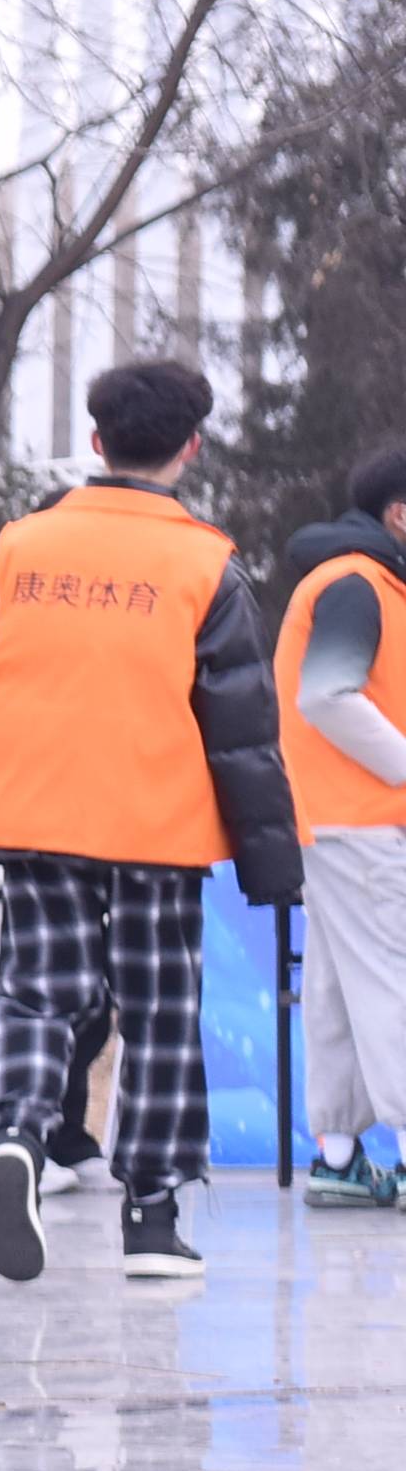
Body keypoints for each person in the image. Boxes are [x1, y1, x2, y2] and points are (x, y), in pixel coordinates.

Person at [0, 358, 301, 1283]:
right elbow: (240, 730)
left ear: (96, 444)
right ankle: (152, 1216)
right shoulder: (205, 564)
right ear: (191, 448)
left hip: (31, 811)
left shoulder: (20, 547)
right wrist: (272, 862)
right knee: (161, 1009)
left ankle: (15, 1131)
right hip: (154, 823)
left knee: (33, 988)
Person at [283, 443, 406, 1207]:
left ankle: (336, 1156)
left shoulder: (366, 582)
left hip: (335, 819)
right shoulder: (358, 584)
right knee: (393, 984)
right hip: (361, 819)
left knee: (338, 987)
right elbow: (325, 695)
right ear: (399, 513)